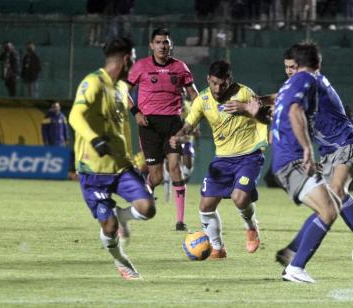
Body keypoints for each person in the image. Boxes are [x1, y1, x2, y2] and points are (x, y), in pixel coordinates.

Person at [68, 37, 155, 280]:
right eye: (134, 58)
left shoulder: (122, 88)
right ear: (127, 59)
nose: (135, 63)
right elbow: (75, 116)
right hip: (93, 170)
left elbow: (122, 127)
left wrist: (130, 157)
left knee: (147, 208)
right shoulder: (93, 82)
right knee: (110, 227)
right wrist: (94, 139)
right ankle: (121, 260)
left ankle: (121, 214)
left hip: (121, 167)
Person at [170, 60, 266, 259]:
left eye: (222, 84)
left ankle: (251, 227)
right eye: (214, 83)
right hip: (222, 159)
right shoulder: (202, 100)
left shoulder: (244, 94)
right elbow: (189, 126)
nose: (217, 88)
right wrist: (178, 136)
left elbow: (266, 115)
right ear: (208, 80)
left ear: (230, 80)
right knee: (205, 206)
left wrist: (247, 108)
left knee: (240, 198)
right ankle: (218, 248)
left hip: (249, 155)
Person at [270, 42, 340, 283]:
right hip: (292, 159)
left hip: (286, 158)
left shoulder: (288, 84)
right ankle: (295, 267)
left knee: (331, 205)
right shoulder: (306, 80)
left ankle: (292, 255)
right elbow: (295, 112)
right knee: (329, 210)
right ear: (318, 64)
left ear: (296, 63)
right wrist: (307, 151)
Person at [127, 28, 199, 231]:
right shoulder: (141, 66)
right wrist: (136, 113)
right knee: (157, 176)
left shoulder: (180, 67)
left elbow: (193, 93)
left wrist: (201, 108)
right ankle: (143, 196)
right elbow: (123, 91)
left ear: (171, 45)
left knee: (175, 167)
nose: (162, 46)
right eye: (158, 42)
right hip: (149, 125)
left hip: (173, 124)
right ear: (152, 45)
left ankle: (180, 221)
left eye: (166, 42)